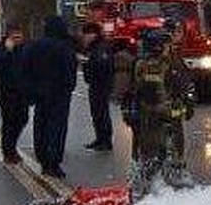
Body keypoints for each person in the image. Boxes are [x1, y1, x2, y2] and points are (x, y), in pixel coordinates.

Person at [124, 26, 188, 195]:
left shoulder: (149, 63)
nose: (169, 47)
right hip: (155, 118)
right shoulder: (153, 66)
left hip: (159, 117)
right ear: (159, 46)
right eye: (166, 44)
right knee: (156, 151)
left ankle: (154, 178)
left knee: (159, 149)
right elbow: (153, 96)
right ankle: (152, 184)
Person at [19, 15, 78, 180]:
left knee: (41, 126)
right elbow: (70, 70)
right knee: (57, 128)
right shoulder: (65, 47)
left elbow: (24, 68)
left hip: (39, 93)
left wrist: (29, 90)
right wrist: (68, 87)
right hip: (59, 94)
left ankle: (43, 159)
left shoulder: (35, 46)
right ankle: (53, 162)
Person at [0, 24, 29, 164]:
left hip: (23, 91)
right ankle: (8, 152)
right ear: (8, 35)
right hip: (6, 90)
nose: (18, 38)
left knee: (22, 119)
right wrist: (8, 51)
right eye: (15, 35)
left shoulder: (26, 49)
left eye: (20, 35)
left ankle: (12, 147)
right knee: (9, 121)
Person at [79, 21, 115, 151]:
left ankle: (105, 140)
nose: (84, 37)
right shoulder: (94, 47)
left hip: (101, 84)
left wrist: (87, 62)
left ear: (92, 34)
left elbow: (102, 65)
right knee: (96, 112)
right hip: (95, 83)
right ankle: (100, 138)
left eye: (86, 34)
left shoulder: (101, 47)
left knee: (101, 112)